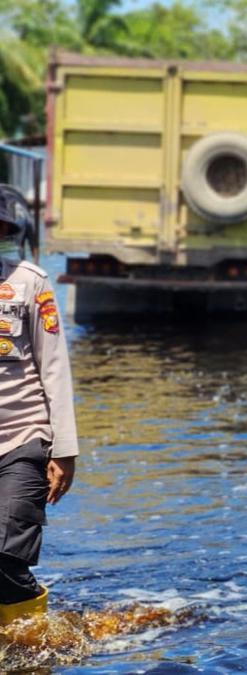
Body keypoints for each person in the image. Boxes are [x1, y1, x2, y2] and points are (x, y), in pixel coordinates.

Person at [0, 188, 78, 626]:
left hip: (22, 440)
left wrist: (63, 450)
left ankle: (36, 642)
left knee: (4, 557)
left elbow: (54, 368)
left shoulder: (29, 283)